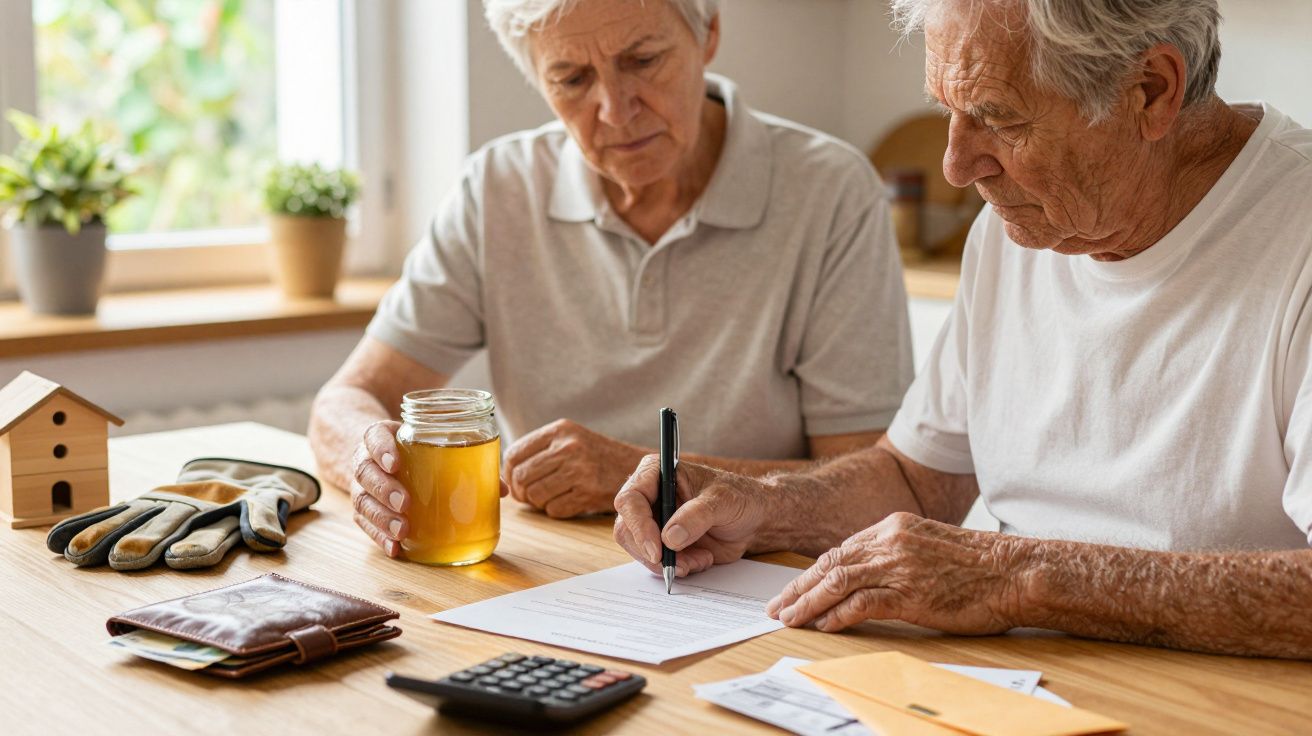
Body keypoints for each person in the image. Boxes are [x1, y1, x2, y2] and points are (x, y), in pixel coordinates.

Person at [613, 0, 1312, 658]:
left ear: (1152, 91)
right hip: (1008, 687)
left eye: (999, 119)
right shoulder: (1017, 228)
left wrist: (1017, 578)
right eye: (948, 111)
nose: (955, 165)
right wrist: (761, 506)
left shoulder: (1294, 234)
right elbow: (918, 481)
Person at [308, 0, 913, 556]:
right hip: (554, 575)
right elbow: (345, 400)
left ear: (708, 33)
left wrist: (648, 473)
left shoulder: (831, 191)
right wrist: (372, 460)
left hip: (760, 581)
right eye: (572, 79)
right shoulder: (498, 188)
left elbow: (874, 484)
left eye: (643, 61)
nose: (616, 111)